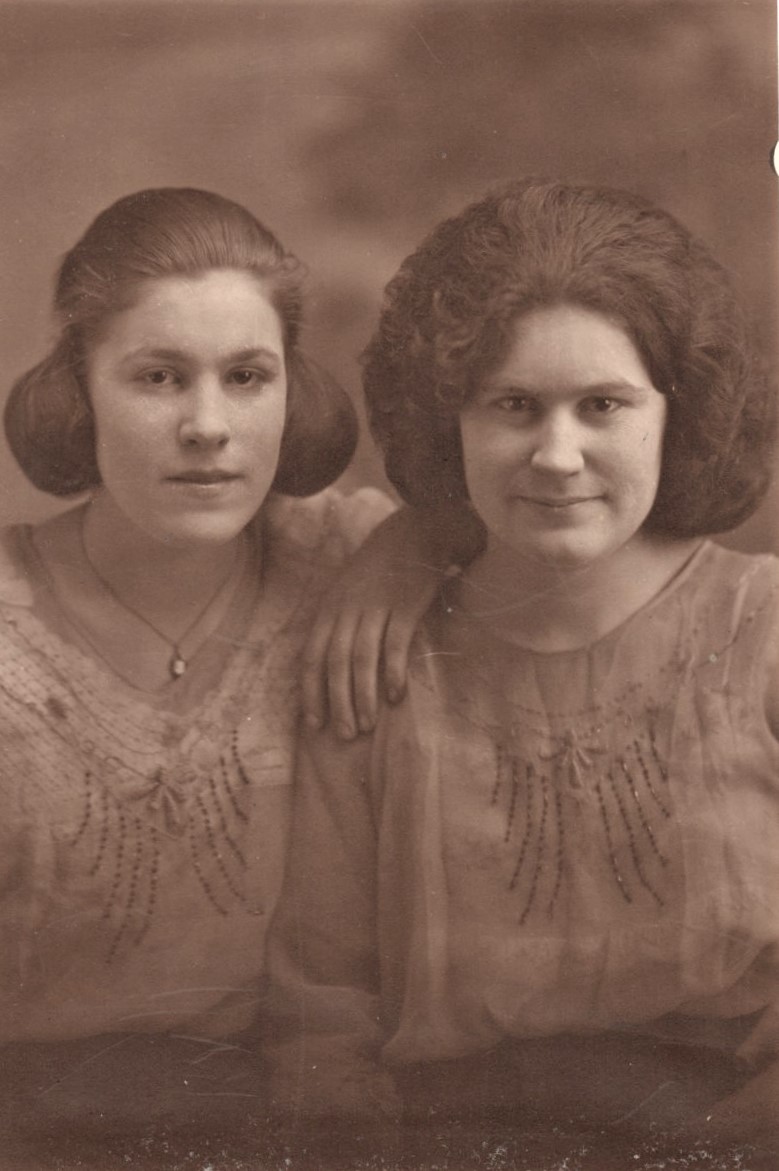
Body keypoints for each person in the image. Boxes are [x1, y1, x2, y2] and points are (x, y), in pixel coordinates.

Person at [268, 178, 779, 1163]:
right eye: (512, 405)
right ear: (447, 422)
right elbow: (319, 1011)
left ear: (676, 412)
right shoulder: (377, 661)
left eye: (602, 405)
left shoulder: (760, 629)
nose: (556, 454)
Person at [0, 186, 465, 1157]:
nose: (207, 425)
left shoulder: (342, 554)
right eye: (158, 377)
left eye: (247, 376)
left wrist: (407, 546)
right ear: (79, 389)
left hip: (288, 1114)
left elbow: (511, 525)